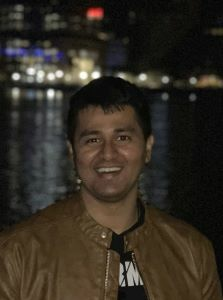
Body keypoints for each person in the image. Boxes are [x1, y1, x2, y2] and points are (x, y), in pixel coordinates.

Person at [0, 76, 222, 300]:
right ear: (71, 151)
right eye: (93, 140)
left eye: (123, 138)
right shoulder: (15, 254)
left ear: (147, 147)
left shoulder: (193, 252)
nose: (108, 154)